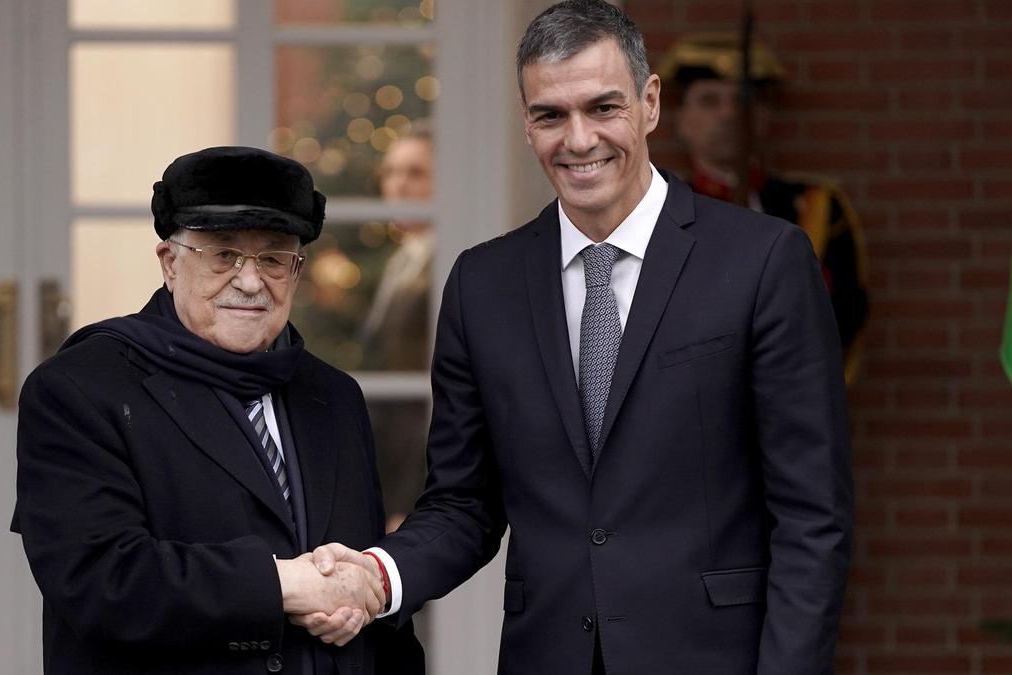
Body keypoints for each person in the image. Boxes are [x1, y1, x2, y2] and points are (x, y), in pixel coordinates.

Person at [309, 2, 854, 673]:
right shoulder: (482, 285)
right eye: (550, 115)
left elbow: (811, 516)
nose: (578, 139)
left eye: (603, 108)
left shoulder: (763, 261)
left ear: (649, 102)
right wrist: (376, 575)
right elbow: (463, 503)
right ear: (527, 122)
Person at [11, 146, 423, 674]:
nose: (250, 282)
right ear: (170, 263)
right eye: (223, 255)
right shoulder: (79, 389)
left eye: (273, 258)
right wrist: (284, 585)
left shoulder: (334, 396)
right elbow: (100, 582)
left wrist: (358, 607)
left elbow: (368, 596)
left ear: (296, 272)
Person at [658, 33, 869, 383]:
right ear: (680, 120)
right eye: (710, 101)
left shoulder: (816, 208)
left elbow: (846, 312)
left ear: (764, 116)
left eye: (743, 100)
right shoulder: (656, 209)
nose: (728, 114)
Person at [358, 125, 434, 531]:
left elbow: (428, 406)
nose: (398, 185)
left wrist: (410, 499)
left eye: (415, 173)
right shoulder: (402, 259)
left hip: (415, 491)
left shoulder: (448, 264)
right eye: (390, 172)